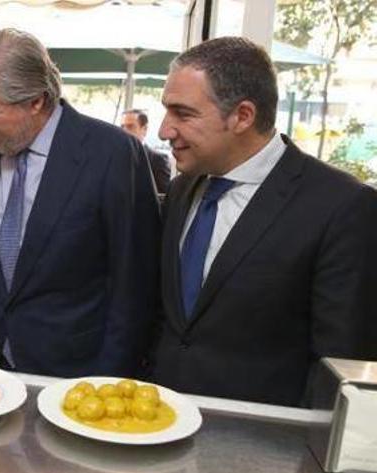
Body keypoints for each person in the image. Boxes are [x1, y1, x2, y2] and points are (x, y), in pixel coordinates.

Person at [150, 37, 377, 406]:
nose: (164, 130)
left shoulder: (343, 207)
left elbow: (340, 364)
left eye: (183, 113)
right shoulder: (182, 189)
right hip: (159, 423)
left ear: (242, 116)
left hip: (266, 446)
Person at [0, 29, 161, 377]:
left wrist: (107, 383)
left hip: (75, 375)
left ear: (36, 101)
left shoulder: (113, 154)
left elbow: (134, 286)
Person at [121, 109, 171, 195]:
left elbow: (163, 197)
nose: (124, 131)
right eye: (122, 127)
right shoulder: (114, 156)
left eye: (130, 127)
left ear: (144, 129)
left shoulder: (158, 159)